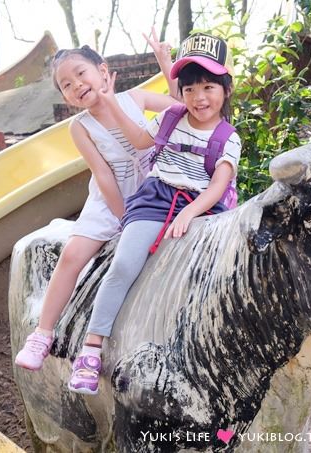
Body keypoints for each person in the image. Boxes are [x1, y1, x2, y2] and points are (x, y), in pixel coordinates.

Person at [67, 33, 242, 395]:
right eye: (190, 89)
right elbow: (138, 141)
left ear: (225, 88)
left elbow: (217, 187)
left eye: (208, 87)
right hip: (156, 197)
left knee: (212, 274)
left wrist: (190, 213)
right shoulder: (172, 116)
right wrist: (111, 103)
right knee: (124, 265)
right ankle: (91, 350)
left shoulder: (228, 137)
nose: (198, 97)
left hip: (203, 207)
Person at [14, 30, 179, 371]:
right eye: (65, 85)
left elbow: (182, 113)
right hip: (110, 198)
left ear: (102, 72)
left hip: (153, 186)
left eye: (80, 73)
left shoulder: (136, 98)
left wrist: (167, 67)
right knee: (73, 253)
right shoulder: (81, 127)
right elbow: (103, 175)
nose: (75, 85)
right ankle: (42, 334)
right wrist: (124, 219)